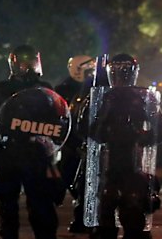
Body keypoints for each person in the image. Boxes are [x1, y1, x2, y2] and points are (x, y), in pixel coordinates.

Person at [0, 44, 60, 239]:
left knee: (40, 204)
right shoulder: (0, 89)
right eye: (26, 63)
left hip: (36, 153)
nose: (29, 67)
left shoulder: (44, 88)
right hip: (9, 153)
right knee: (8, 206)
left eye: (31, 62)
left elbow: (58, 118)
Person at [86, 54, 162, 239]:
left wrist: (141, 137)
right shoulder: (102, 98)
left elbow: (161, 129)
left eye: (124, 72)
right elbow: (86, 128)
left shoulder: (144, 97)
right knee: (106, 208)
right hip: (107, 163)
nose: (119, 77)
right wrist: (106, 134)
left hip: (135, 163)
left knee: (133, 209)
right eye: (115, 72)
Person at [54, 55, 95, 234]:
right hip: (71, 141)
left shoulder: (97, 85)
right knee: (69, 176)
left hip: (91, 138)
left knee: (89, 181)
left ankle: (84, 217)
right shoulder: (63, 88)